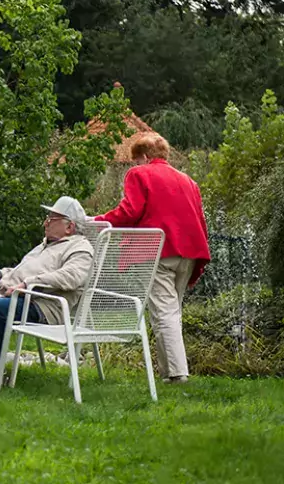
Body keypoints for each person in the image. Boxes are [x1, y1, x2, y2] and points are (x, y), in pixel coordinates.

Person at [91, 133, 210, 384]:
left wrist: (98, 221)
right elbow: (200, 220)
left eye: (135, 160)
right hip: (188, 251)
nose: (133, 166)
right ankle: (170, 374)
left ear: (144, 157)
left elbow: (130, 211)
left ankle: (178, 374)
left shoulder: (139, 174)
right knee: (170, 311)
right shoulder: (188, 181)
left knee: (164, 313)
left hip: (157, 251)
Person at [0, 196, 94, 386]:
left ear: (69, 227)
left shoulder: (80, 249)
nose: (45, 222)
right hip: (13, 297)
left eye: (52, 219)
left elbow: (71, 277)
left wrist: (28, 283)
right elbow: (20, 271)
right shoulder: (45, 245)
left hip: (42, 305)